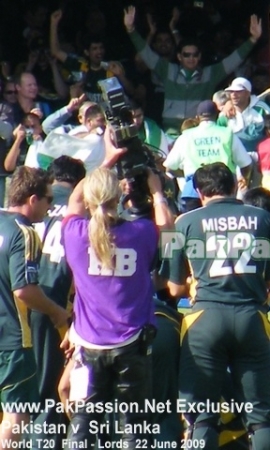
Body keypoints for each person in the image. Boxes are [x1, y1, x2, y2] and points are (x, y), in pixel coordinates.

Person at [161, 162, 270, 450]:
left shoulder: (185, 222)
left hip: (205, 318)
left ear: (201, 192)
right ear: (234, 186)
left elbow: (174, 288)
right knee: (261, 417)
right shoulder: (263, 218)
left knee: (202, 417)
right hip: (251, 317)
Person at [61, 136, 173, 448]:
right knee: (134, 425)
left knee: (83, 421)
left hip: (88, 344)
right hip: (131, 343)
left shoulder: (74, 233)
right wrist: (157, 192)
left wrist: (106, 161)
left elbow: (74, 202)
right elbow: (171, 238)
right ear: (118, 198)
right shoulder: (139, 232)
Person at [0, 166, 69, 446]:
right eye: (49, 200)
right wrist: (57, 312)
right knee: (17, 417)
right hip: (14, 341)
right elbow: (24, 289)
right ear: (32, 199)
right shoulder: (25, 232)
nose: (50, 207)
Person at [124, 6, 262, 136]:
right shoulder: (167, 70)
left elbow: (233, 60)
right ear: (179, 57)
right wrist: (131, 30)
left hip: (198, 130)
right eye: (186, 55)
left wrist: (253, 39)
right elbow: (147, 54)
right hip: (171, 132)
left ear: (199, 56)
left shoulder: (210, 73)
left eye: (195, 54)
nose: (191, 58)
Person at [30, 156, 85, 450]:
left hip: (21, 303)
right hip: (59, 311)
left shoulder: (34, 203)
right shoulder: (81, 212)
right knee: (52, 391)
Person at [163, 100, 252, 212]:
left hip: (194, 190)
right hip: (224, 190)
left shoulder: (186, 136)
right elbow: (246, 164)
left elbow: (170, 168)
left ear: (197, 117)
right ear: (216, 115)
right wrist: (244, 179)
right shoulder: (227, 134)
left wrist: (188, 175)